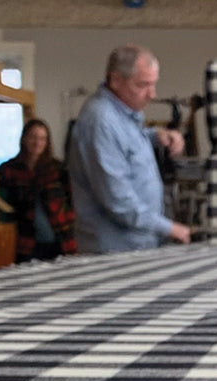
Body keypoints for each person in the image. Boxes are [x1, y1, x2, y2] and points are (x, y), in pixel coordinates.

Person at [68, 45, 191, 254]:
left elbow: (124, 142)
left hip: (137, 244)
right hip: (115, 251)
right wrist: (169, 228)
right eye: (143, 85)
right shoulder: (100, 122)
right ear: (116, 81)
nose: (152, 94)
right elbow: (118, 201)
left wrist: (155, 135)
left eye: (154, 84)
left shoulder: (123, 113)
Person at [0, 119, 76, 262]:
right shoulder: (11, 169)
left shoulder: (58, 170)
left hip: (60, 239)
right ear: (24, 139)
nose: (37, 142)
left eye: (42, 138)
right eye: (33, 137)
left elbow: (73, 200)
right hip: (27, 242)